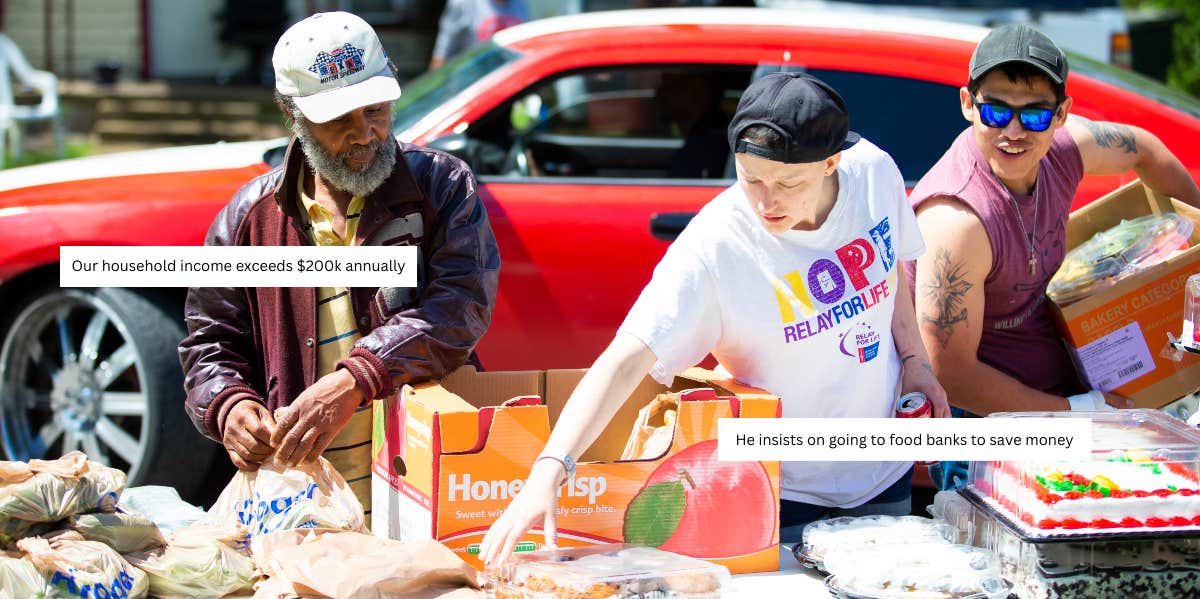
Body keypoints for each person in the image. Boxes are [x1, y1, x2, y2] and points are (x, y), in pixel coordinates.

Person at [478, 72, 948, 565]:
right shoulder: (715, 247)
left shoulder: (874, 172)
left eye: (788, 183)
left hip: (883, 470)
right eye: (751, 179)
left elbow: (890, 269)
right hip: (777, 491)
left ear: (832, 162)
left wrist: (915, 358)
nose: (767, 202)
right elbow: (623, 360)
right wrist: (549, 471)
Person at [179, 11, 501, 517]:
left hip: (429, 484)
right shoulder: (246, 219)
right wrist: (228, 405)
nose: (364, 135)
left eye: (375, 110)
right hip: (308, 500)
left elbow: (460, 309)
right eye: (338, 121)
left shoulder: (442, 187)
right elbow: (211, 342)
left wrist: (359, 377)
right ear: (292, 115)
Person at [903, 24, 1200, 488]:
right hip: (988, 436)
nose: (1015, 131)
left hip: (1067, 396)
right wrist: (1078, 415)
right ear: (967, 104)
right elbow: (950, 373)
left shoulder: (1064, 151)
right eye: (995, 111)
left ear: (1061, 114)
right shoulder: (957, 221)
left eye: (1035, 115)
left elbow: (1146, 150)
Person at [429, 0, 529, 70]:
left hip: (507, 82)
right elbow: (442, 54)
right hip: (472, 86)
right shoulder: (464, 3)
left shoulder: (520, 4)